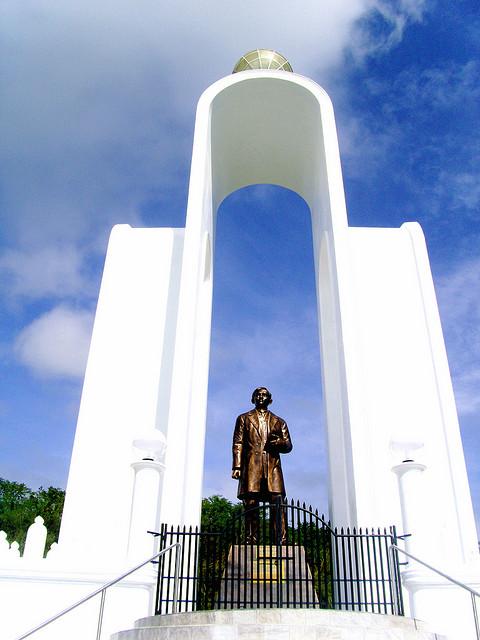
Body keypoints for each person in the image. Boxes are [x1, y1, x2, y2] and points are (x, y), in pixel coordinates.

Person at [232, 387, 292, 543]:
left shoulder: (279, 422)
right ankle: (251, 538)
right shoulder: (244, 418)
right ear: (253, 398)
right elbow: (238, 443)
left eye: (264, 395)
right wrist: (237, 467)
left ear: (270, 400)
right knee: (251, 502)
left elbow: (288, 445)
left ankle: (280, 539)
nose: (260, 397)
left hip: (272, 466)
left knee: (277, 501)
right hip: (252, 465)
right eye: (257, 394)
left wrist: (279, 443)